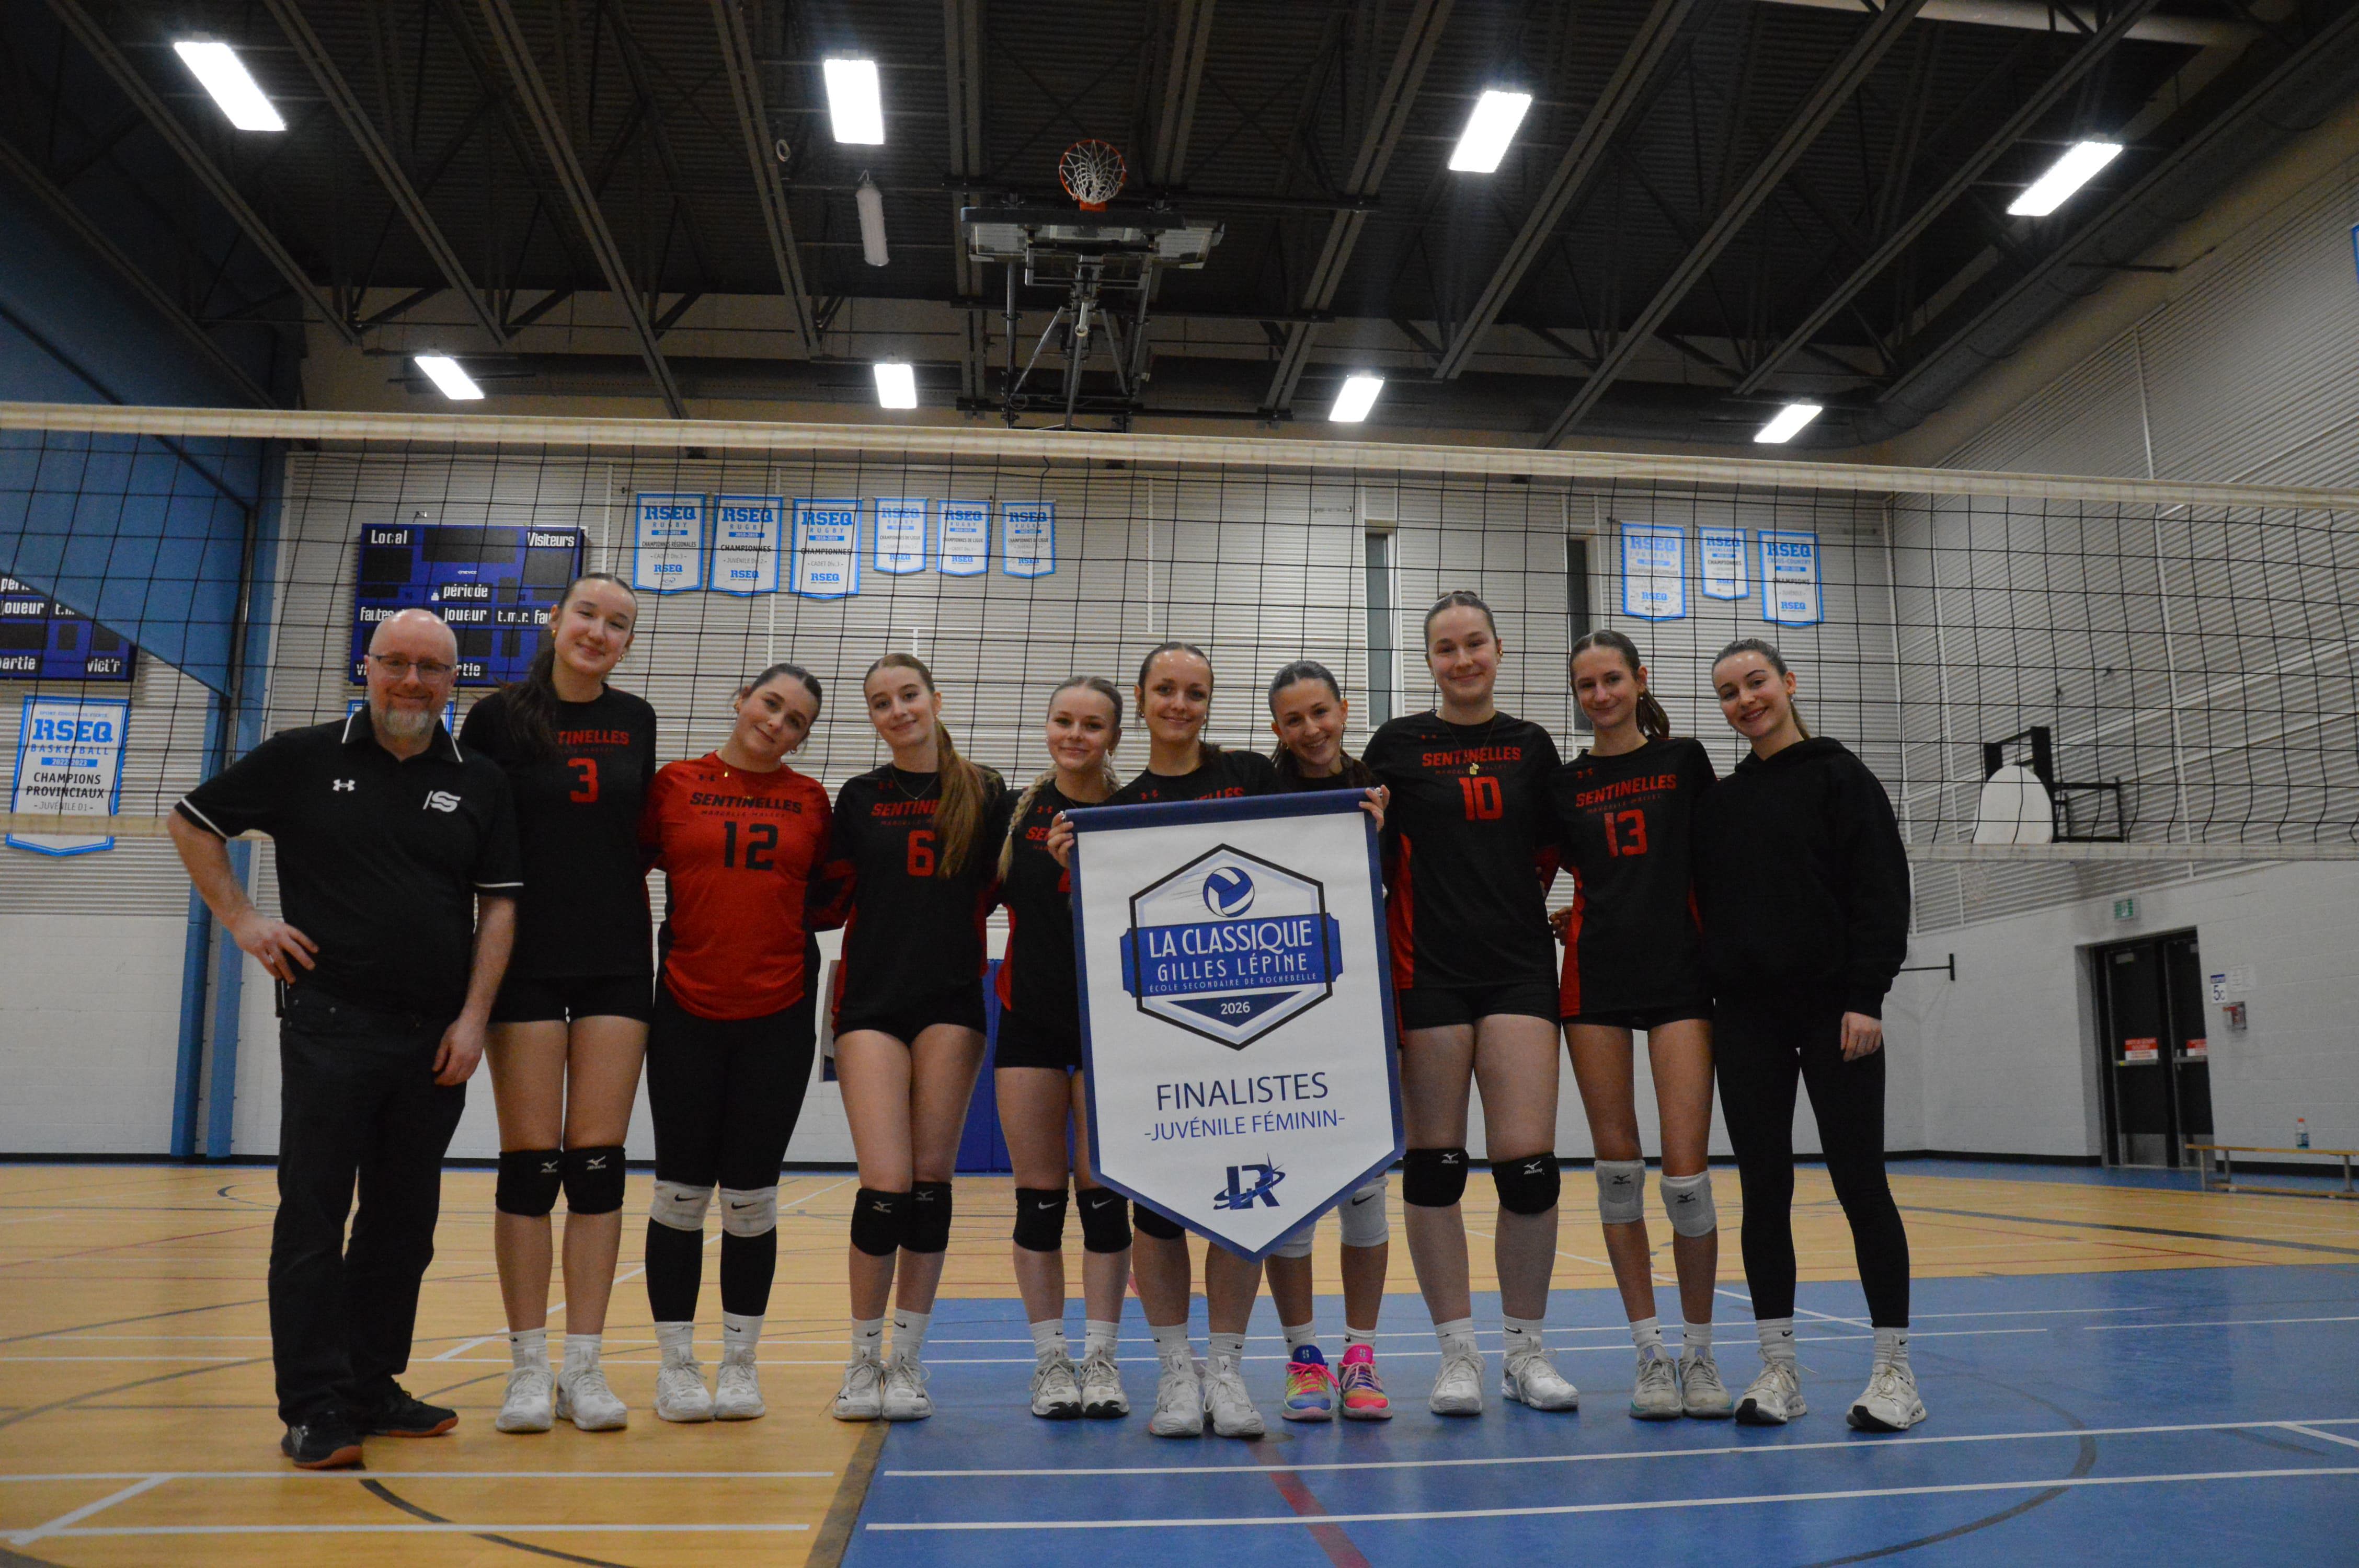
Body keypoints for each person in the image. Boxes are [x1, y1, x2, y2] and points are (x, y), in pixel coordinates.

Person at [167, 608, 520, 1470]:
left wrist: (474, 1019)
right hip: (332, 1027)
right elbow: (190, 821)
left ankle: (371, 1386)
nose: (412, 681)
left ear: (453, 682)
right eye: (396, 662)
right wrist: (245, 921)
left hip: (434, 1038)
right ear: (367, 666)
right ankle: (315, 1406)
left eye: (431, 668)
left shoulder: (480, 779)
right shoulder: (303, 756)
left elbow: (500, 905)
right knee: (315, 1217)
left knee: (403, 1223)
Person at [1047, 642, 1280, 1440]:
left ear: (1210, 702)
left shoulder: (1249, 775)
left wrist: (1365, 823)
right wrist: (1071, 867)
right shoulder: (1117, 809)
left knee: (1243, 1203)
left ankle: (1228, 1371)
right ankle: (1177, 1373)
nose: (1180, 704)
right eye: (1166, 690)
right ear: (1142, 701)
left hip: (1248, 1027)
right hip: (1154, 1035)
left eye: (1195, 692)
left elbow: (1310, 839)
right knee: (1160, 1210)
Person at [1694, 638, 1919, 1432]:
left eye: (1756, 682)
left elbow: (1881, 890)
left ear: (1787, 683)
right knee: (1765, 1190)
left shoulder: (1840, 776)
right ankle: (1778, 1370)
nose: (1745, 700)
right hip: (1747, 1019)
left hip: (1836, 1014)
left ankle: (1895, 1372)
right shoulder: (1721, 802)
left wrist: (1866, 997)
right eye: (1729, 692)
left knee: (1861, 1183)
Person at [1364, 591, 1578, 1417]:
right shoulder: (1396, 746)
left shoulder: (1532, 746)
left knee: (1528, 1172)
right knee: (1435, 1168)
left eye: (1475, 643)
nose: (1463, 660)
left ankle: (1526, 1352)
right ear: (1429, 661)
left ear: (1499, 648)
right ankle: (1458, 1356)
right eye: (1446, 648)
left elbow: (1568, 843)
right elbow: (1355, 843)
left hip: (1518, 968)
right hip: (1428, 972)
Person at [457, 572, 657, 1434]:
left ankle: (585, 1367)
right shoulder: (496, 718)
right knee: (531, 1165)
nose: (599, 632)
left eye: (618, 624)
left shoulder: (637, 719)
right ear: (555, 618)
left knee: (599, 1164)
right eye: (588, 614)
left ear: (627, 643)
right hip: (526, 957)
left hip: (617, 956)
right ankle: (528, 1369)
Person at [818, 653, 1013, 1423]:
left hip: (952, 1000)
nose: (897, 711)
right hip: (870, 1001)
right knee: (885, 1185)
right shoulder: (859, 796)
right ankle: (861, 1359)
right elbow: (825, 895)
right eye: (881, 703)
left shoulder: (985, 791)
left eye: (908, 696)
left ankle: (906, 1361)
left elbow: (1011, 884)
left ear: (936, 699)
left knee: (931, 1184)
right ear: (872, 718)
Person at [636, 662, 833, 1423]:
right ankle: (677, 1367)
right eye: (770, 704)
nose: (777, 723)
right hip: (686, 1010)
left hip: (777, 1017)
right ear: (742, 698)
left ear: (803, 739)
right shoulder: (674, 785)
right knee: (680, 1194)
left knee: (752, 1199)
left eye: (795, 721)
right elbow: (620, 866)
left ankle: (741, 1364)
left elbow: (833, 894)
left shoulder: (811, 801)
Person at [1548, 629, 1731, 1421]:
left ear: (1639, 679)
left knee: (1686, 1179)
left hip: (1681, 976)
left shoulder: (1684, 760)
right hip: (1595, 977)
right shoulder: (1565, 782)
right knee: (1618, 1174)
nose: (1601, 695)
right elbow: (1531, 869)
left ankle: (1701, 1353)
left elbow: (1721, 862)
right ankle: (1650, 1354)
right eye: (1586, 685)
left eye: (1612, 680)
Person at [993, 676, 1132, 1422]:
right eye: (1063, 721)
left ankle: (1102, 1359)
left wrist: (1088, 871)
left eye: (1092, 725)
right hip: (1030, 1021)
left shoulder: (1133, 810)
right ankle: (1051, 1362)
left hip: (1112, 1025)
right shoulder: (1013, 813)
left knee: (1104, 1200)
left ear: (1114, 736)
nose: (1075, 735)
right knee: (1039, 1201)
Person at [1262, 660, 1394, 1423]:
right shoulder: (1261, 794)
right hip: (1284, 1019)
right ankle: (1304, 1358)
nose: (1311, 729)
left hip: (1361, 1014)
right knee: (1295, 1195)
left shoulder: (1379, 792)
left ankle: (1361, 1356)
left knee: (1365, 1193)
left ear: (1343, 710)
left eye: (1321, 712)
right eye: (1294, 719)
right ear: (1277, 730)